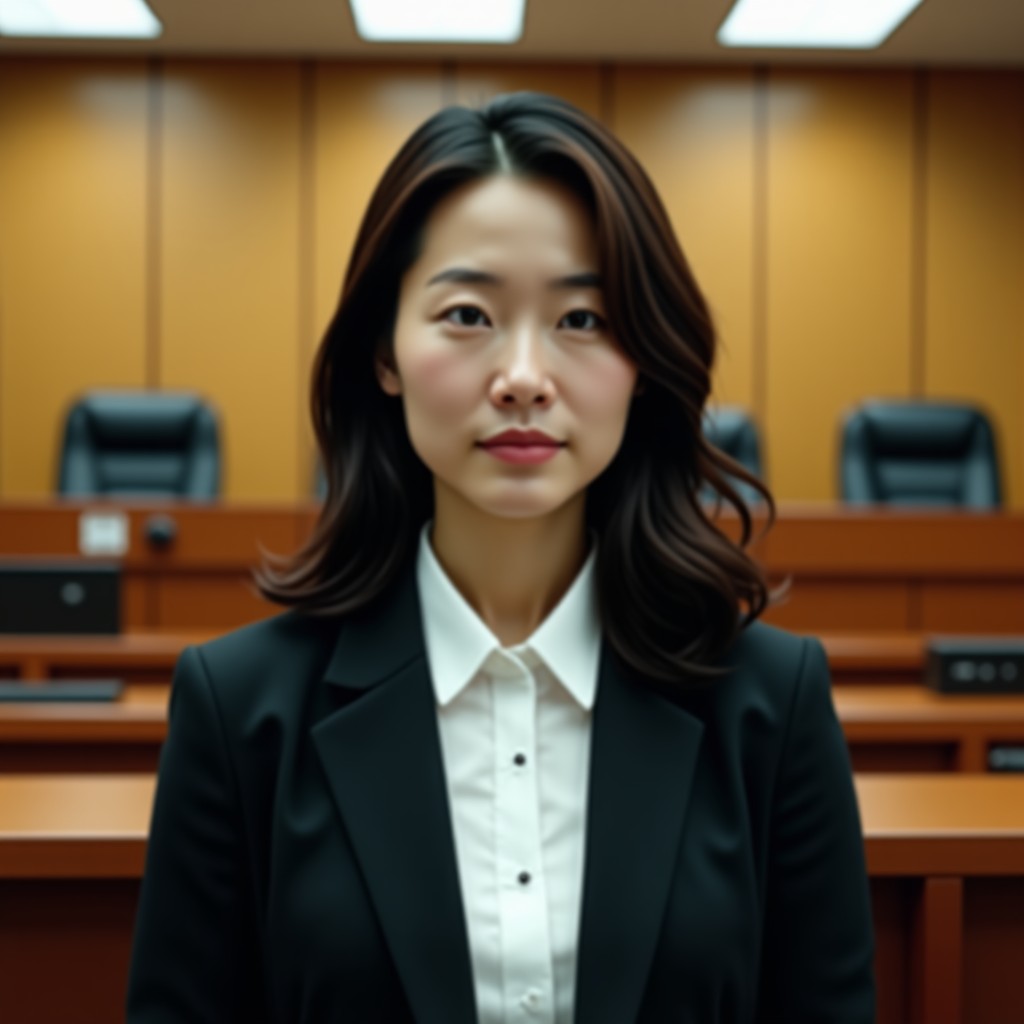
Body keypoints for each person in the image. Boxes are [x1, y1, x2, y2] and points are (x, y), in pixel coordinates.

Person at [125, 91, 876, 1023]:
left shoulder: (771, 702)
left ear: (644, 361)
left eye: (583, 320)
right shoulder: (239, 709)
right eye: (469, 313)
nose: (523, 377)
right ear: (384, 352)